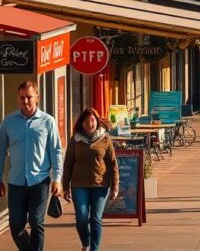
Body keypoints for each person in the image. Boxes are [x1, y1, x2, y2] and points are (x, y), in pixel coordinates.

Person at [0, 81, 63, 251]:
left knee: (36, 222)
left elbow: (56, 151)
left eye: (29, 97)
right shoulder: (8, 122)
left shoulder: (47, 121)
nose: (25, 101)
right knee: (15, 226)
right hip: (16, 181)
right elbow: (0, 152)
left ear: (37, 97)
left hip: (40, 181)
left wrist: (57, 178)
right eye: (22, 98)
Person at [62, 107, 118, 251]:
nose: (90, 124)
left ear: (97, 122)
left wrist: (115, 185)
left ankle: (94, 249)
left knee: (95, 219)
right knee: (81, 217)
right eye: (86, 121)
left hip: (100, 185)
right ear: (81, 123)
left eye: (92, 120)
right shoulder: (75, 140)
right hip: (79, 185)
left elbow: (113, 164)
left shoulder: (105, 139)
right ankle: (85, 244)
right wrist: (65, 186)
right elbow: (68, 163)